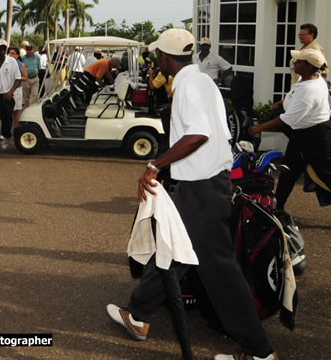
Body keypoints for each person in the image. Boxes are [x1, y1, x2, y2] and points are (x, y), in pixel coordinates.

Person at [106, 28, 276, 360]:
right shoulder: (202, 81)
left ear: (165, 57)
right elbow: (218, 133)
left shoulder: (187, 86)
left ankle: (260, 353)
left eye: (157, 55)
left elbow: (198, 134)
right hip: (202, 185)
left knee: (221, 274)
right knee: (173, 252)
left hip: (203, 188)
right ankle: (138, 315)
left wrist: (155, 166)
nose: (156, 59)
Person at [249, 48, 331, 211]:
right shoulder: (305, 79)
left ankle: (276, 206)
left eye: (299, 61)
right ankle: (276, 208)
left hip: (316, 137)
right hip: (301, 135)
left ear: (309, 66)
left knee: (326, 175)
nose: (295, 63)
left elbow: (289, 119)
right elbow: (293, 98)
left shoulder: (311, 89)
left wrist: (259, 128)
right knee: (288, 172)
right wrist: (282, 102)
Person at [8, 46, 28, 130]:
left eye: (13, 53)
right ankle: (6, 130)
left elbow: (25, 77)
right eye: (9, 53)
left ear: (17, 55)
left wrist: (17, 78)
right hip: (7, 89)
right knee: (7, 111)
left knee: (16, 111)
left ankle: (16, 129)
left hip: (17, 89)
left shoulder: (21, 64)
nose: (11, 55)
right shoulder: (5, 63)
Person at [21, 44, 41, 110]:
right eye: (28, 50)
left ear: (32, 50)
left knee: (34, 95)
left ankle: (32, 109)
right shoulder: (23, 58)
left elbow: (39, 68)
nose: (29, 51)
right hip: (26, 79)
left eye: (30, 50)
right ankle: (26, 110)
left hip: (35, 78)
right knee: (26, 96)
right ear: (26, 51)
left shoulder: (37, 58)